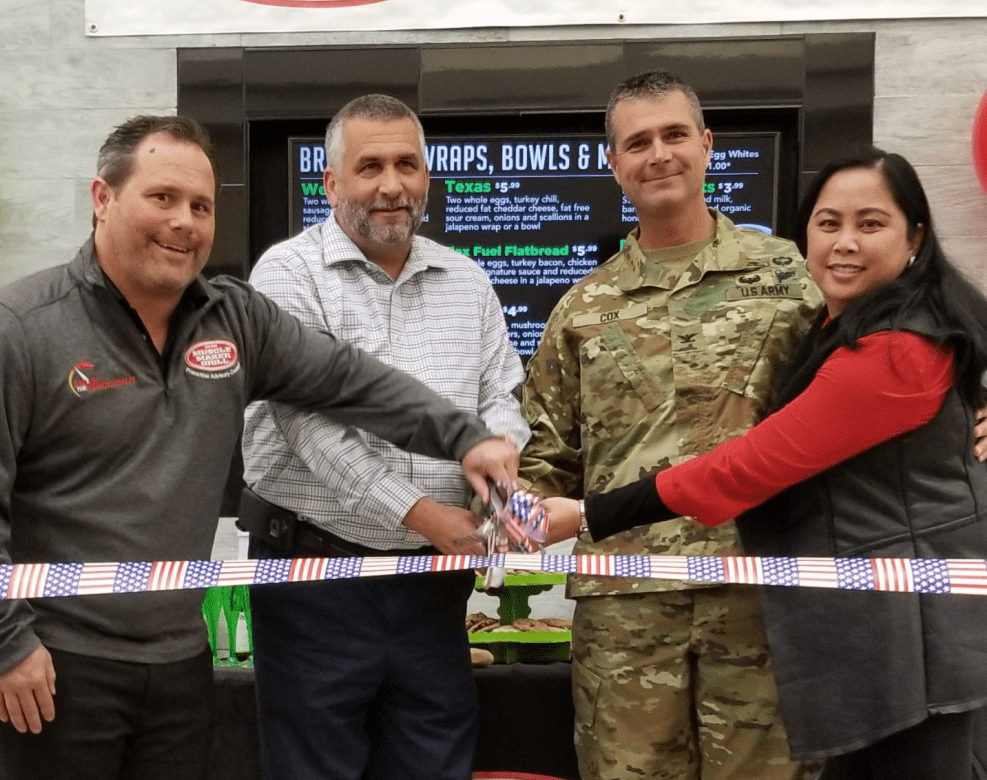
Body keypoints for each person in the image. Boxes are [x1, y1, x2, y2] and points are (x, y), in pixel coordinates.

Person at [0, 114, 518, 780]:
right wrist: (4, 639)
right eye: (161, 198)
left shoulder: (235, 318)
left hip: (180, 659)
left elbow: (351, 382)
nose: (184, 222)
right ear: (103, 198)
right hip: (55, 661)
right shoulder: (14, 329)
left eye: (200, 206)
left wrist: (466, 439)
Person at [544, 146, 987, 780]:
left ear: (915, 235)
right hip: (869, 644)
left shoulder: (895, 348)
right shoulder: (857, 325)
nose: (845, 243)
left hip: (910, 651)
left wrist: (589, 513)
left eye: (872, 223)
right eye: (828, 223)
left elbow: (747, 468)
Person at [518, 70, 824, 780]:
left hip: (755, 591)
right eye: (636, 142)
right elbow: (544, 455)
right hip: (625, 611)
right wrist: (500, 519)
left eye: (673, 135)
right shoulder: (583, 309)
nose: (657, 154)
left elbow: (853, 391)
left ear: (707, 145)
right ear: (613, 163)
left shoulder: (785, 276)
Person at [241, 94, 529, 780]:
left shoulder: (469, 280)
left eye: (408, 163)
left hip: (432, 588)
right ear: (331, 183)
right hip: (316, 579)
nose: (392, 184)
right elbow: (305, 423)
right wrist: (425, 516)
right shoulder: (287, 274)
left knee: (435, 761)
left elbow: (503, 397)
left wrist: (504, 468)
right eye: (369, 166)